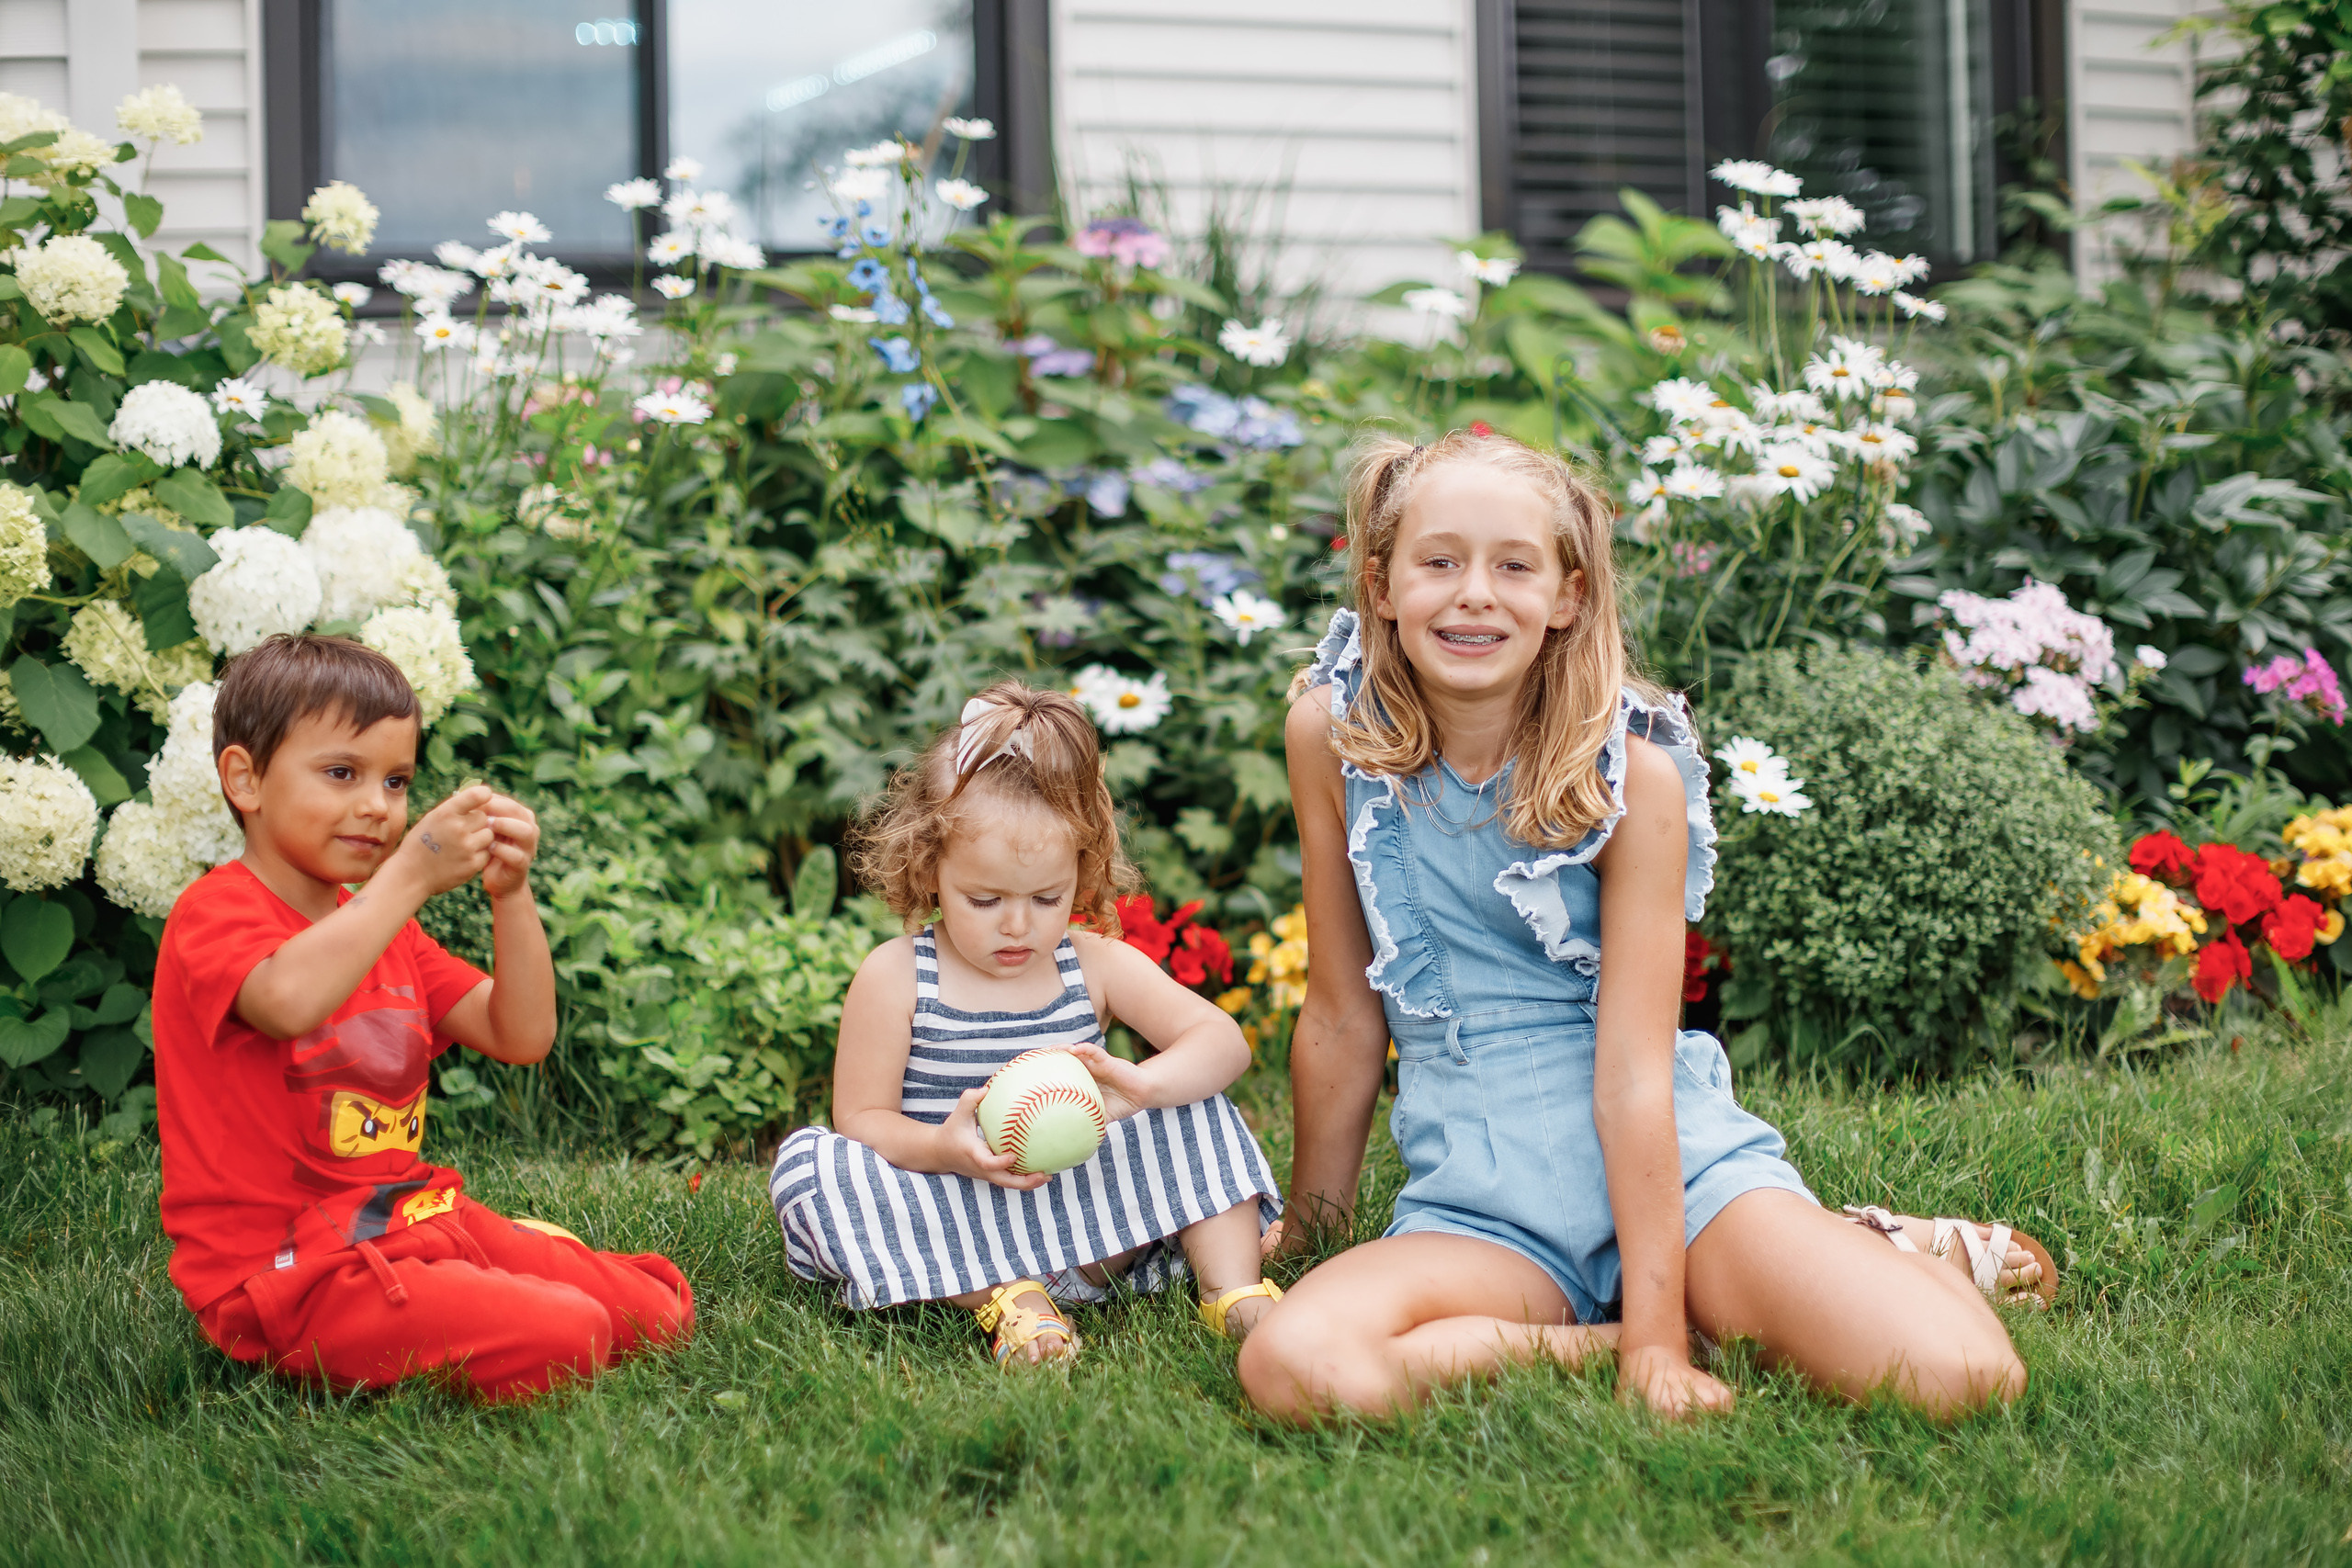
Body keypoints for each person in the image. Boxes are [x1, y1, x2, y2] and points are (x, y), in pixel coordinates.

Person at [1238, 432, 2057, 1423]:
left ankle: (1844, 1249)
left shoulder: (1634, 783)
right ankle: (1619, 1334)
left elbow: (1632, 1074)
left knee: (1964, 1379)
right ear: (1380, 585)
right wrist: (1312, 1229)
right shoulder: (1333, 739)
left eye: (1514, 567)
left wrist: (1658, 1349)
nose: (1474, 595)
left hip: (1685, 1185)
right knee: (1293, 1365)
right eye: (1439, 561)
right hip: (1482, 1211)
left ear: (1568, 596)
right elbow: (1339, 1015)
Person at [153, 634, 692, 1403]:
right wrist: (409, 872)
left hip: (408, 1218)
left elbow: (521, 1034)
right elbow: (286, 1000)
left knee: (658, 1310)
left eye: (397, 780)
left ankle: (495, 1270)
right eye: (342, 773)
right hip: (289, 1277)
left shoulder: (389, 932)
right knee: (574, 1332)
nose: (377, 806)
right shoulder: (215, 913)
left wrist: (511, 893)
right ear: (246, 778)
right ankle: (499, 1289)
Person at [770, 682, 1283, 1366]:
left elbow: (1223, 1042)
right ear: (929, 868)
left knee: (1193, 1099)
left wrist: (1144, 1085)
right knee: (811, 1164)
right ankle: (1012, 1300)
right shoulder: (896, 976)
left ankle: (1234, 1292)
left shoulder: (1092, 962)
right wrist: (943, 1149)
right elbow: (862, 1119)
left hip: (1089, 1221)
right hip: (956, 1220)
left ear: (1082, 871)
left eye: (1047, 897)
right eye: (984, 900)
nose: (1017, 924)